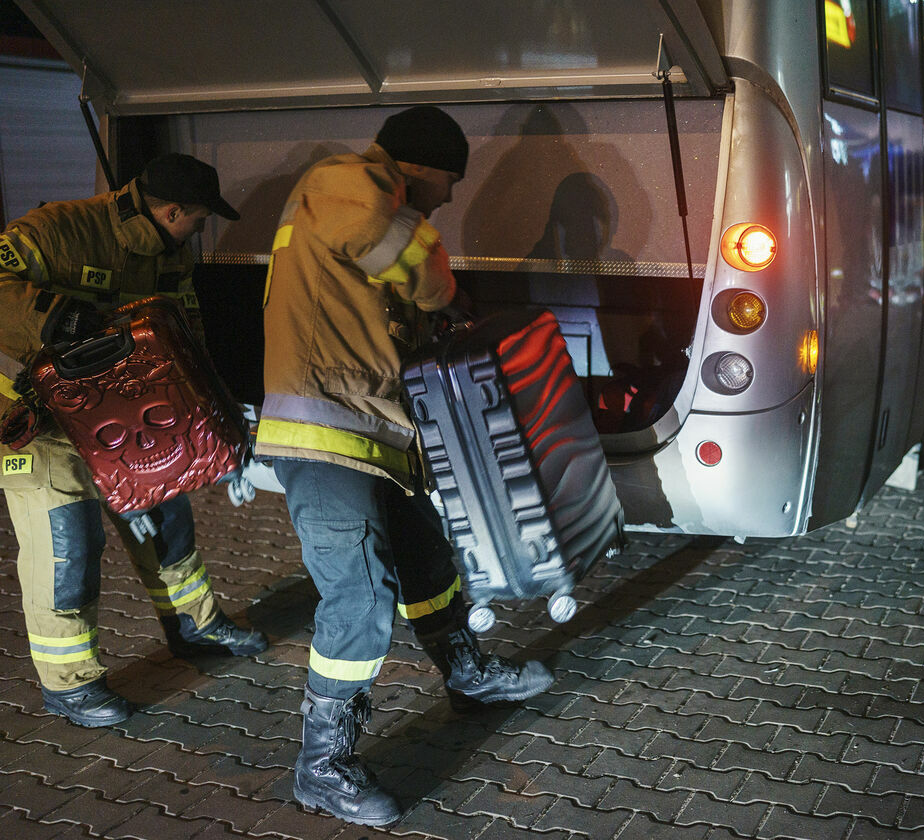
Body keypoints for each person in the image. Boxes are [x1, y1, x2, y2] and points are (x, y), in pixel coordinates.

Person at [254, 105, 554, 826]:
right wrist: (444, 291)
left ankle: (467, 673)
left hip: (371, 432)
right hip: (325, 435)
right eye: (449, 182)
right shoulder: (345, 183)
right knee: (359, 597)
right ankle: (322, 768)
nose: (449, 199)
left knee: (427, 561)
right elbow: (408, 261)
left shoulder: (354, 202)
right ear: (419, 165)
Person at [0, 154, 269, 727]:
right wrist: (53, 318)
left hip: (123, 421)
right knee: (66, 545)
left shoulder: (169, 253)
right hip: (37, 421)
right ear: (172, 210)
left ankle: (193, 626)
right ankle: (69, 685)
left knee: (168, 520)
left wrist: (215, 414)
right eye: (198, 220)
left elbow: (183, 331)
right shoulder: (60, 229)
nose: (201, 231)